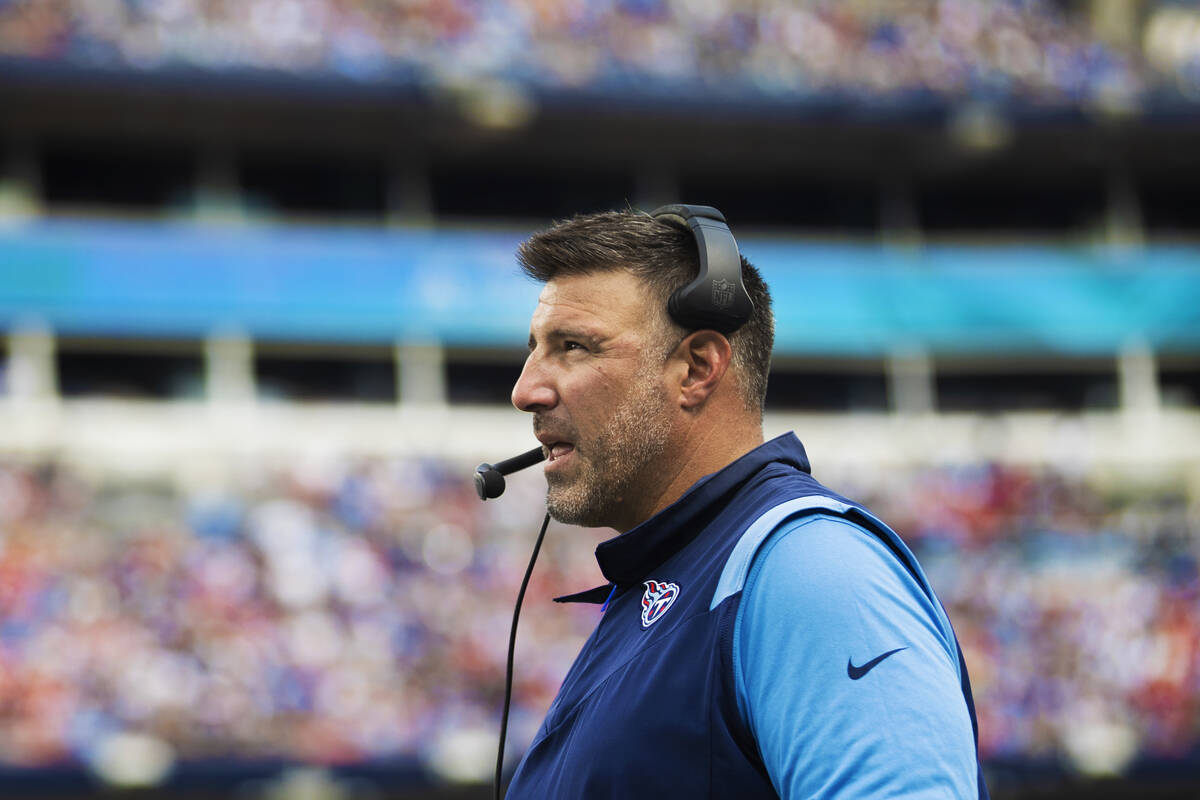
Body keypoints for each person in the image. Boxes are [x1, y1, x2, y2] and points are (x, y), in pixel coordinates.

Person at [504, 207, 988, 798]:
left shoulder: (811, 567)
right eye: (534, 349)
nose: (525, 390)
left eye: (574, 346)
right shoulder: (668, 582)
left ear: (698, 367)